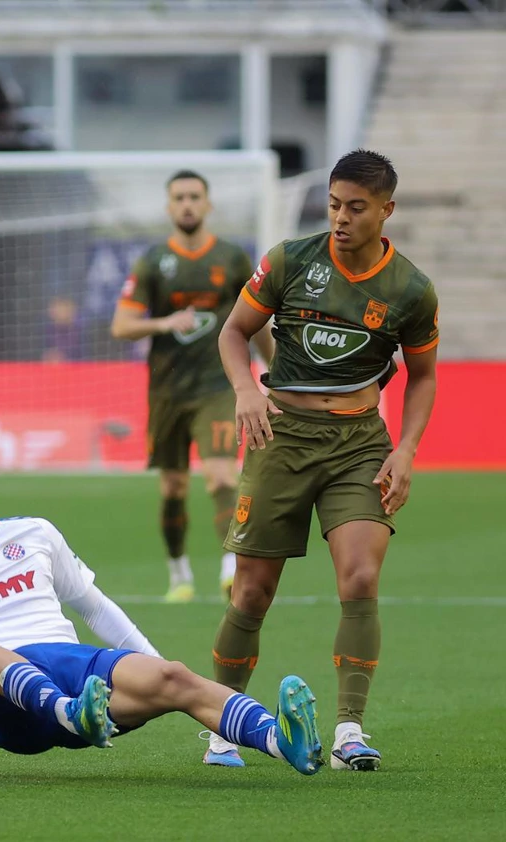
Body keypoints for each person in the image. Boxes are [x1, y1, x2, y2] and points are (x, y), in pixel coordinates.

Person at [0, 425, 323, 779]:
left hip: (76, 676)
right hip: (4, 710)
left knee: (176, 679)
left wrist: (149, 660)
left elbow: (93, 607)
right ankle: (69, 712)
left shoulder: (35, 533)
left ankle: (284, 743)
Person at [209, 149, 439, 772]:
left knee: (361, 580)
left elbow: (421, 377)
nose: (341, 218)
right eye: (334, 204)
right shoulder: (290, 259)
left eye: (356, 208)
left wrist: (407, 450)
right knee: (252, 592)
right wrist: (247, 389)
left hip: (359, 444)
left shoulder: (411, 290)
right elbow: (232, 332)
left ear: (386, 211)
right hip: (280, 437)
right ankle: (224, 727)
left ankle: (348, 734)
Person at [111, 171, 275, 603]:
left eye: (194, 197)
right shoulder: (152, 262)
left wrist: (276, 369)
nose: (187, 204)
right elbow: (121, 324)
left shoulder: (233, 258)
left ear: (208, 205)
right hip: (167, 393)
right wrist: (163, 321)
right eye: (179, 198)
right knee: (173, 489)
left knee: (222, 474)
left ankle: (229, 570)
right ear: (169, 207)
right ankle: (179, 573)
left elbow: (252, 321)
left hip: (218, 387)